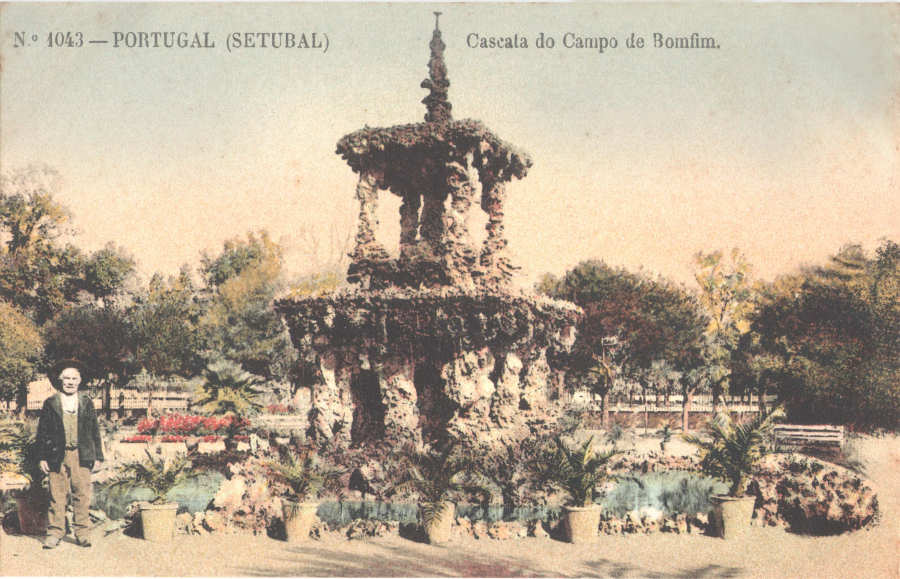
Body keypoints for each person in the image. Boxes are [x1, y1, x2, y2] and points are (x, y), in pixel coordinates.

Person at [35, 359, 104, 549]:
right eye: (67, 378)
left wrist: (98, 457)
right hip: (57, 455)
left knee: (82, 494)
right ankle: (55, 533)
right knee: (57, 495)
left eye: (74, 378)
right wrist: (42, 457)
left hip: (81, 455)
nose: (70, 382)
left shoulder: (86, 402)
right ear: (60, 380)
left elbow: (94, 430)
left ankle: (82, 533)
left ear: (80, 381)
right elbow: (42, 432)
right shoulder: (51, 403)